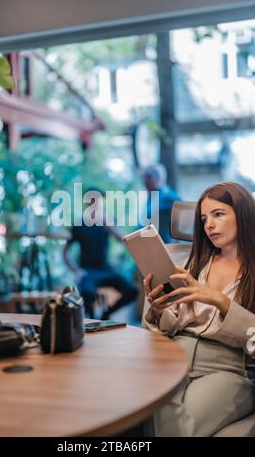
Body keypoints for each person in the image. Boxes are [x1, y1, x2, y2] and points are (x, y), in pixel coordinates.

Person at [143, 181, 255, 437]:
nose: (209, 225)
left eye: (218, 214)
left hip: (225, 368)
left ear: (243, 214)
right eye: (204, 219)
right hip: (174, 356)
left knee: (178, 428)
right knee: (139, 410)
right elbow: (171, 324)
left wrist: (220, 300)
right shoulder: (193, 263)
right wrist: (159, 309)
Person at [63, 191, 138, 320]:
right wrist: (76, 271)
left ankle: (105, 315)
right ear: (86, 202)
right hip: (87, 271)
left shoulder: (108, 221)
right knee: (87, 293)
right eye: (91, 200)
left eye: (97, 200)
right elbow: (65, 254)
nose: (95, 203)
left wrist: (110, 226)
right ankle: (92, 322)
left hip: (106, 269)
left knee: (132, 291)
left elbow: (123, 239)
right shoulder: (78, 224)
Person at [142, 164, 180, 243]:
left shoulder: (168, 196)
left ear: (157, 178)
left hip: (163, 247)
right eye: (144, 177)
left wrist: (173, 244)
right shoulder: (152, 197)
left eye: (148, 177)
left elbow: (185, 219)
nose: (145, 181)